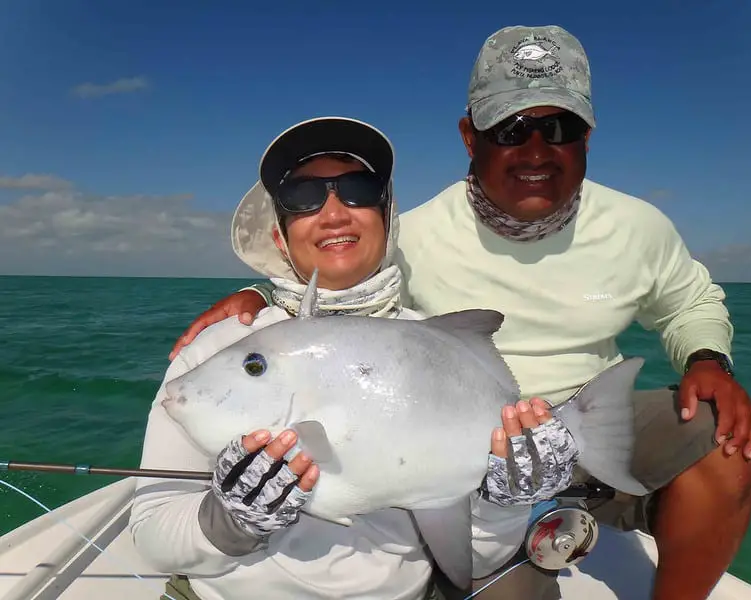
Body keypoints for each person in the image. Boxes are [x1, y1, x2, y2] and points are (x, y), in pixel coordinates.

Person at [171, 26, 751, 600]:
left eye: (558, 127)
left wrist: (708, 358)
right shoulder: (413, 237)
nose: (535, 150)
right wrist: (258, 303)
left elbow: (690, 300)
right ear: (469, 136)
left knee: (726, 436)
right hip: (476, 458)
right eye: (509, 129)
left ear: (587, 135)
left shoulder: (639, 227)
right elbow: (337, 305)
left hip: (592, 419)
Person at [130, 116, 580, 600]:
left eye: (358, 189)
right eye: (303, 196)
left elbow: (481, 555)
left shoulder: (436, 347)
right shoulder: (215, 349)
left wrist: (506, 504)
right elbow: (152, 538)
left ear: (388, 217)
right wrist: (230, 520)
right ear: (280, 236)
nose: (333, 213)